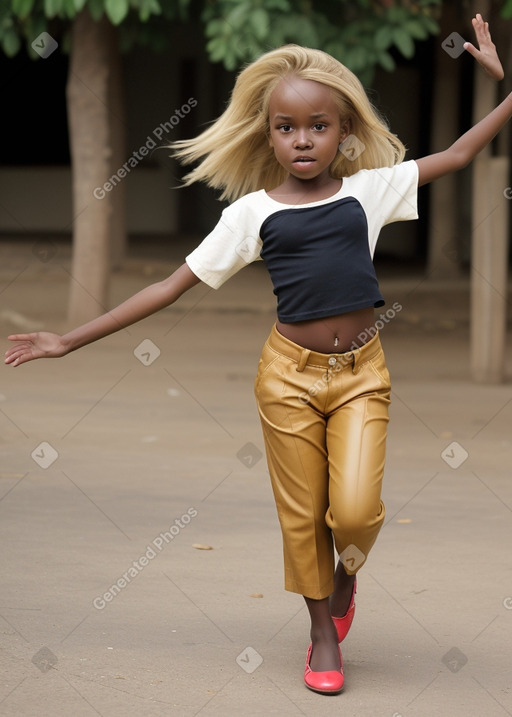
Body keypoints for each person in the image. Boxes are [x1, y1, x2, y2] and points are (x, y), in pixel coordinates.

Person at [4, 13, 509, 696]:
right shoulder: (250, 215)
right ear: (267, 135)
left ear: (345, 132)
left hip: (362, 375)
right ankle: (322, 631)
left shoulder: (369, 190)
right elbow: (169, 285)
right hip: (287, 380)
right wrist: (69, 339)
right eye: (286, 127)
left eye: (319, 126)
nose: (302, 139)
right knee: (302, 517)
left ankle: (345, 580)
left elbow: (457, 156)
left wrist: (505, 90)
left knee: (356, 512)